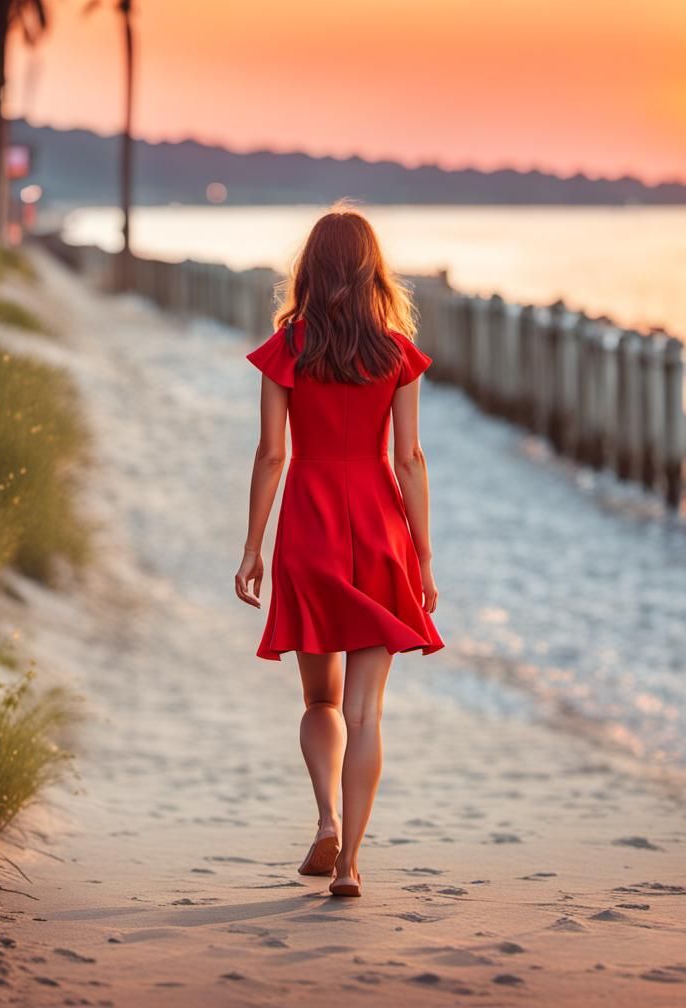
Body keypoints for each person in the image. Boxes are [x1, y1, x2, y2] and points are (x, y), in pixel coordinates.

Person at [234, 206, 444, 897]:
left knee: (319, 702)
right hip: (380, 534)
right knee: (365, 714)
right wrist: (424, 557)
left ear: (310, 269)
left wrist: (252, 549)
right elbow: (409, 460)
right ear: (370, 270)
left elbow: (272, 455)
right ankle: (350, 862)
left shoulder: (286, 349)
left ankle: (325, 818)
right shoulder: (396, 354)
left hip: (309, 531)